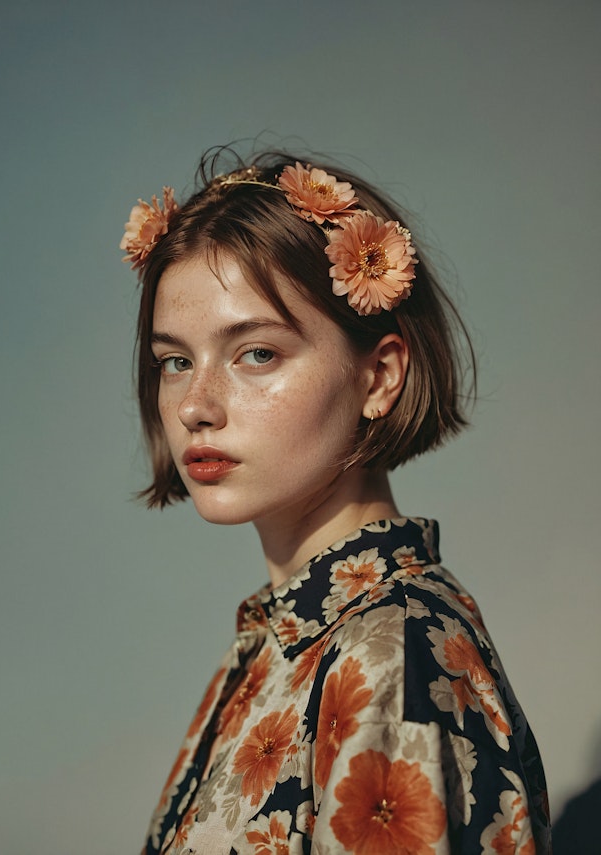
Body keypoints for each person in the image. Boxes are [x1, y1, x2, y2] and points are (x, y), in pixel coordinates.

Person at [121, 148, 551, 854]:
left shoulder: (391, 648)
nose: (195, 405)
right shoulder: (282, 641)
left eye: (256, 352)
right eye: (175, 360)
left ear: (379, 375)